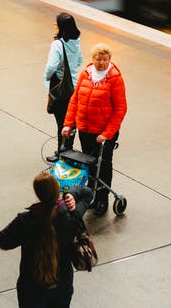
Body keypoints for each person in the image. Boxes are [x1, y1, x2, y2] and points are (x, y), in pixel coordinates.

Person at [0, 172, 94, 308]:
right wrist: (71, 194)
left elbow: (2, 241)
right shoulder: (70, 214)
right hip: (62, 285)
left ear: (38, 193)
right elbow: (88, 193)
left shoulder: (25, 220)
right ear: (57, 190)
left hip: (32, 288)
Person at [61, 43, 127, 216]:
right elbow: (75, 100)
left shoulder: (115, 79)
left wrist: (107, 133)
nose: (102, 63)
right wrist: (68, 124)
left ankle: (102, 199)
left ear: (109, 60)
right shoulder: (86, 74)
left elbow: (120, 109)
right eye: (98, 59)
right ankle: (90, 195)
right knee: (89, 165)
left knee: (103, 165)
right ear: (93, 59)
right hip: (85, 129)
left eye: (105, 59)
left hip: (104, 133)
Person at [44, 12, 82, 163]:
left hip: (61, 87)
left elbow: (51, 66)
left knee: (61, 122)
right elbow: (79, 60)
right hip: (74, 85)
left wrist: (47, 76)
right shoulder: (76, 41)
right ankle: (67, 149)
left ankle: (62, 153)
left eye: (56, 24)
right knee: (70, 121)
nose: (55, 26)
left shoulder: (57, 44)